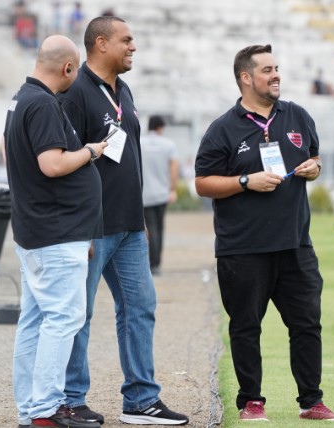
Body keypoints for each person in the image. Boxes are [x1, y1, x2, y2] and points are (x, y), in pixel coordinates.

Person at [194, 44, 334, 422]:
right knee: (246, 326)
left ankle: (311, 402)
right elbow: (202, 183)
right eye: (267, 70)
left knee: (307, 324)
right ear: (246, 78)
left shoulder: (297, 115)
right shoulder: (223, 129)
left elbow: (314, 157)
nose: (276, 74)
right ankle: (251, 402)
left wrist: (315, 167)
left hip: (296, 243)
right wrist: (246, 181)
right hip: (243, 248)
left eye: (277, 68)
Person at [59, 16, 189, 425]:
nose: (134, 47)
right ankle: (70, 399)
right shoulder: (75, 92)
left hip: (130, 226)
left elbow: (125, 155)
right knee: (79, 314)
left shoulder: (123, 89)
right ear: (100, 44)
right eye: (127, 40)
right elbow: (66, 162)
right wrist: (80, 226)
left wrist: (139, 218)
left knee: (140, 306)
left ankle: (140, 401)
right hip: (92, 227)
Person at [3, 34, 107, 428]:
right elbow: (52, 164)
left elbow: (8, 149)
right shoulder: (44, 102)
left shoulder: (20, 99)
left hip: (40, 229)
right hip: (55, 231)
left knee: (34, 321)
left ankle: (31, 409)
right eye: (75, 68)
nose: (75, 75)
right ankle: (45, 409)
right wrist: (92, 151)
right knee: (63, 319)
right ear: (67, 68)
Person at [141, 114, 179, 275]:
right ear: (160, 127)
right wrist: (172, 189)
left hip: (144, 193)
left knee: (149, 228)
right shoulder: (169, 144)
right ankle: (156, 263)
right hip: (162, 193)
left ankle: (150, 263)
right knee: (159, 228)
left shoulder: (139, 142)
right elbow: (174, 168)